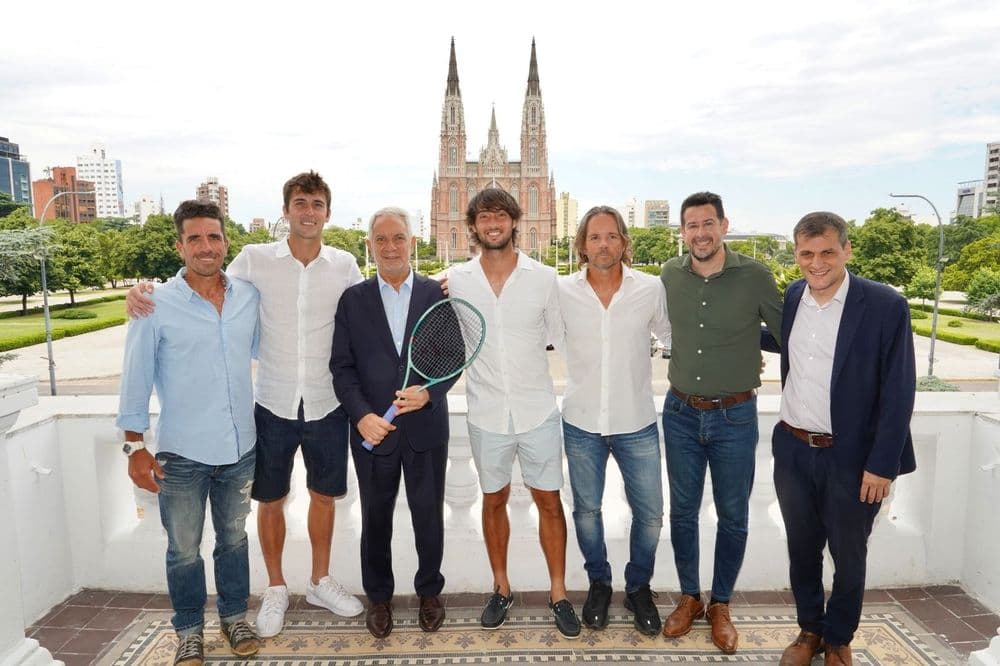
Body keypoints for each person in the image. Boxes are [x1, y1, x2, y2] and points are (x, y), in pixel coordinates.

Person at [127, 171, 365, 637]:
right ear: (287, 210)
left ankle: (319, 580)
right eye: (300, 202)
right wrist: (144, 291)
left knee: (323, 496)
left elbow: (369, 311)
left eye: (317, 204)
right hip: (272, 402)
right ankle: (275, 586)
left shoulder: (345, 264)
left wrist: (439, 286)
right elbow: (202, 283)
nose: (309, 211)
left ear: (328, 213)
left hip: (326, 402)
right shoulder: (254, 260)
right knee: (270, 500)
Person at [118, 201, 261, 665]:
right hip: (182, 453)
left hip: (240, 447)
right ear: (179, 245)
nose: (206, 247)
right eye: (194, 238)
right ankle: (189, 630)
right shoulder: (154, 303)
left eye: (213, 237)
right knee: (183, 550)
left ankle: (235, 617)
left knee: (234, 541)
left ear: (225, 243)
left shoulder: (247, 297)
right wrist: (134, 446)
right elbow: (134, 378)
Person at [773, 212, 915, 666]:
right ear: (796, 254)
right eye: (807, 254)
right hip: (793, 449)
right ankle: (810, 630)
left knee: (849, 556)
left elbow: (899, 391)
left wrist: (882, 464)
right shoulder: (793, 296)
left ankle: (839, 637)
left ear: (847, 250)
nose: (817, 263)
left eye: (827, 252)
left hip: (853, 458)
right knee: (802, 549)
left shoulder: (884, 305)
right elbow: (789, 350)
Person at [446, 187, 580, 639]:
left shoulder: (544, 278)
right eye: (484, 216)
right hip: (485, 414)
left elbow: (566, 339)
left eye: (500, 215)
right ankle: (500, 588)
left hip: (537, 409)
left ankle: (559, 594)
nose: (493, 223)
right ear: (473, 225)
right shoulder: (456, 279)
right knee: (493, 500)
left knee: (549, 502)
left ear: (515, 220)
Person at [659, 191, 783, 654]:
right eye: (691, 226)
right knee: (683, 513)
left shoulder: (755, 275)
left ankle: (722, 605)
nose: (700, 233)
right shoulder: (670, 274)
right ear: (683, 232)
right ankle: (690, 598)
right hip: (680, 413)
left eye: (708, 224)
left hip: (735, 415)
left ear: (724, 225)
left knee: (733, 516)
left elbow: (790, 332)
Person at [331, 207, 458, 638]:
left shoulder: (436, 294)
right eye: (381, 239)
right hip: (373, 431)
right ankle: (379, 598)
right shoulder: (353, 300)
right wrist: (362, 415)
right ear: (370, 245)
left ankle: (429, 591)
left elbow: (452, 360)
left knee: (428, 516)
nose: (390, 247)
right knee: (376, 519)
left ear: (412, 242)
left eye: (398, 238)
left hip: (426, 431)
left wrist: (430, 394)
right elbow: (341, 369)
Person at [557, 206, 671, 636]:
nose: (603, 244)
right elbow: (538, 331)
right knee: (586, 511)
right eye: (594, 237)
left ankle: (638, 586)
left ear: (624, 241)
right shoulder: (562, 290)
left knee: (651, 515)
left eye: (611, 236)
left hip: (636, 419)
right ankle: (599, 584)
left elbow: (673, 335)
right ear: (582, 245)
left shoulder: (650, 288)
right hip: (582, 421)